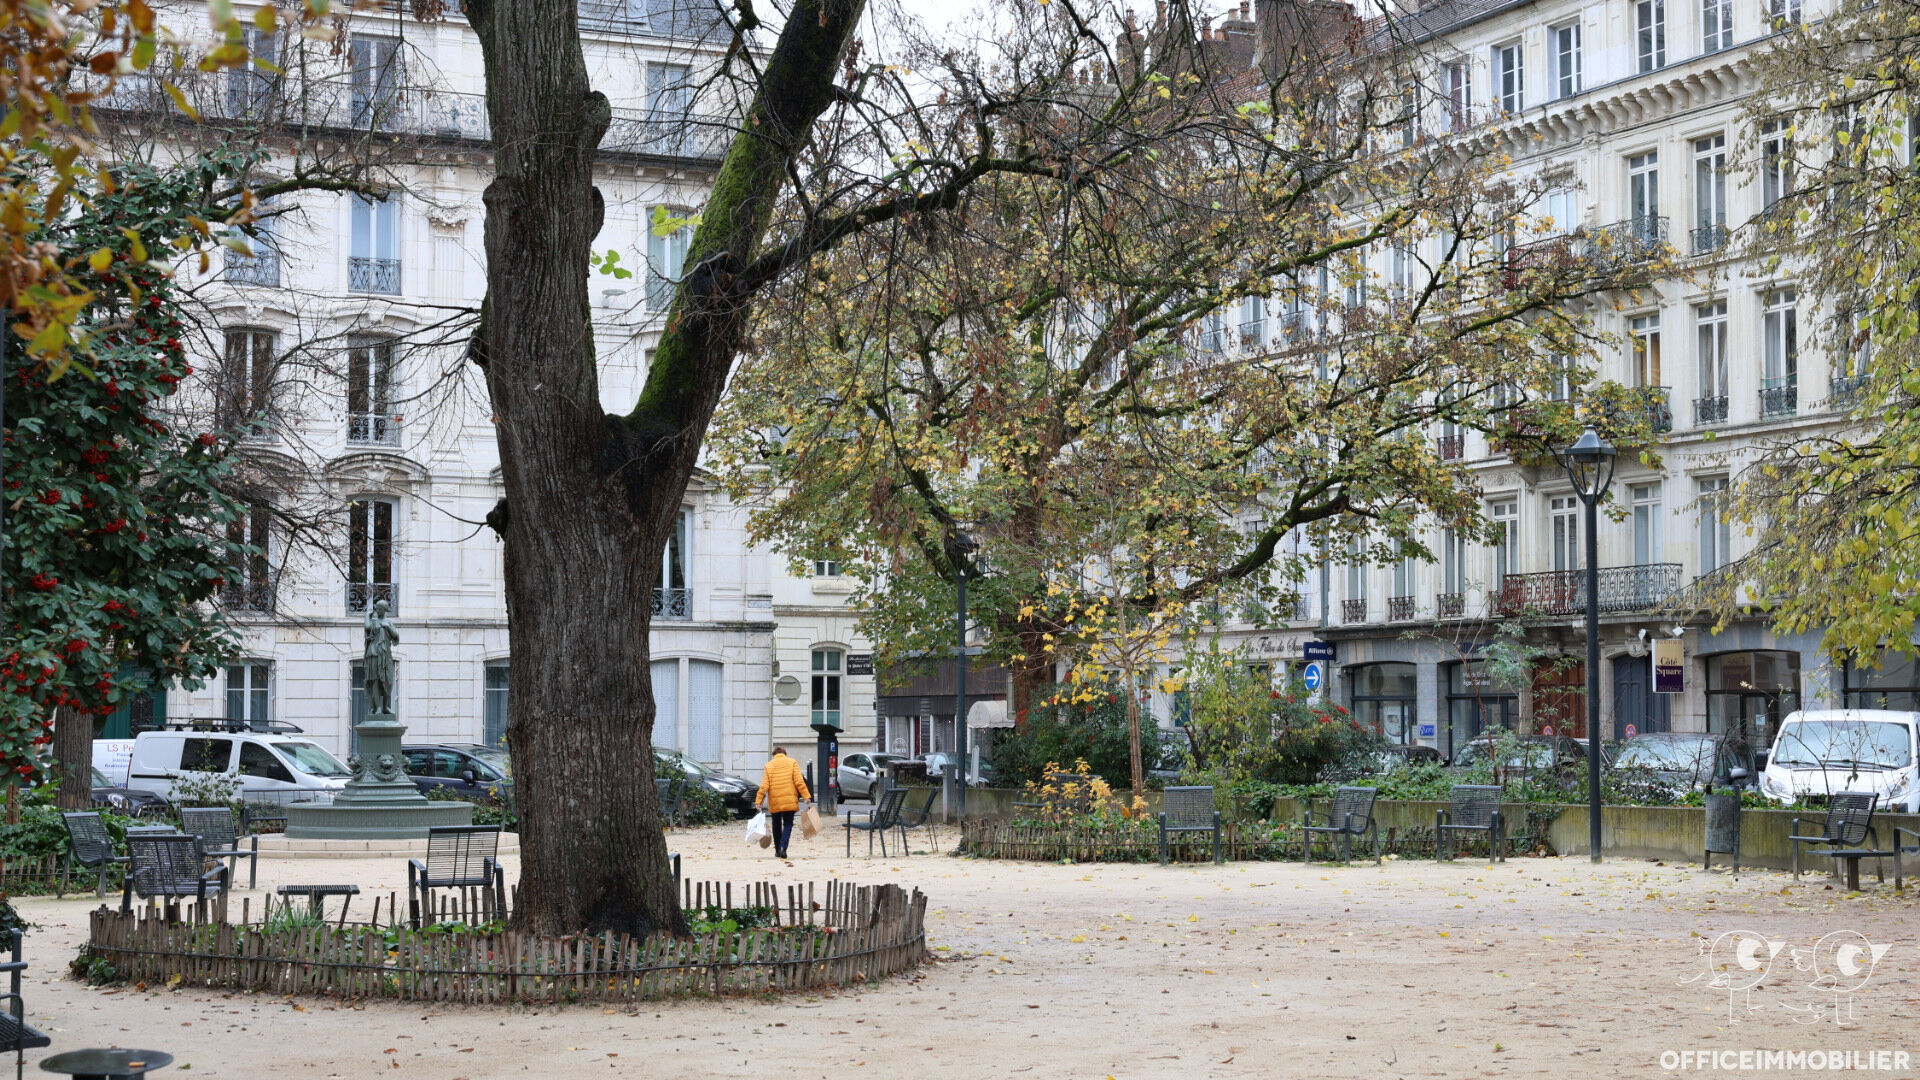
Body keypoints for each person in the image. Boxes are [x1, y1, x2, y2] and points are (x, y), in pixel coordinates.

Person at [754, 747, 811, 859]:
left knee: (776, 825)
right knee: (788, 824)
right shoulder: (792, 762)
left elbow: (764, 786)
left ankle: (777, 850)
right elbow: (799, 781)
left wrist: (758, 801)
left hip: (775, 801)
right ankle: (783, 847)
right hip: (789, 800)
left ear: (773, 755)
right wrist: (806, 796)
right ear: (785, 754)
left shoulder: (769, 765)